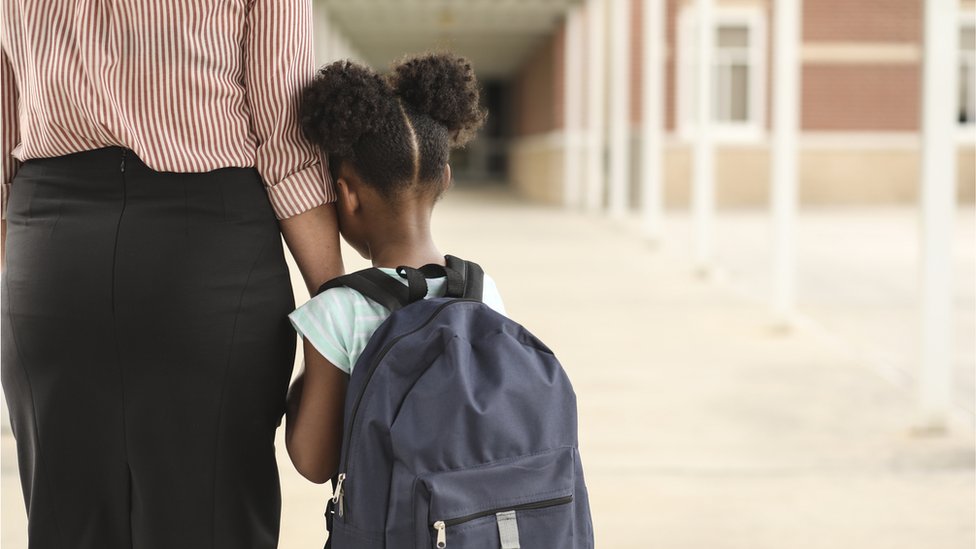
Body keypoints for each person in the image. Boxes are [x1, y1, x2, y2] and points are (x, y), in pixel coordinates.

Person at [0, 2, 343, 548]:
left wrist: (17, 276)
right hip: (207, 255)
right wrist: (336, 303)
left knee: (68, 523)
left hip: (48, 255)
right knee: (212, 521)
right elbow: (286, 140)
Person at [284, 53, 504, 484]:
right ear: (445, 178)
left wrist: (300, 388)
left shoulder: (338, 311)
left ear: (346, 195)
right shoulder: (483, 291)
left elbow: (314, 461)